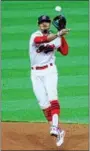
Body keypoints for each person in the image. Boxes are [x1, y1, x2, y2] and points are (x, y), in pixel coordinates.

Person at [29, 15, 70, 147]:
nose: (44, 24)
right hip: (36, 73)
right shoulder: (34, 36)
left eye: (47, 22)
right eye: (42, 22)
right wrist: (58, 33)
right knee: (43, 104)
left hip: (50, 72)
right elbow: (43, 39)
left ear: (50, 23)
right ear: (38, 24)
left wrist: (61, 34)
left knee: (53, 97)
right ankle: (58, 130)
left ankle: (55, 126)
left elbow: (65, 52)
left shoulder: (56, 37)